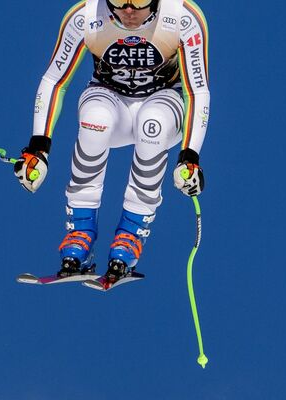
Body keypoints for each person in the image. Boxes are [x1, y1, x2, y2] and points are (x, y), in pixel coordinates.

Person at [14, 0, 210, 281]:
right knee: (95, 119)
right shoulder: (85, 15)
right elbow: (55, 80)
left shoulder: (182, 16)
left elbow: (197, 91)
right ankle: (80, 231)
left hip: (164, 99)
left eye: (140, 2)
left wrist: (190, 155)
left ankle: (131, 234)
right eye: (118, 1)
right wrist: (38, 149)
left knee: (152, 124)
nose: (128, 11)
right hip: (110, 98)